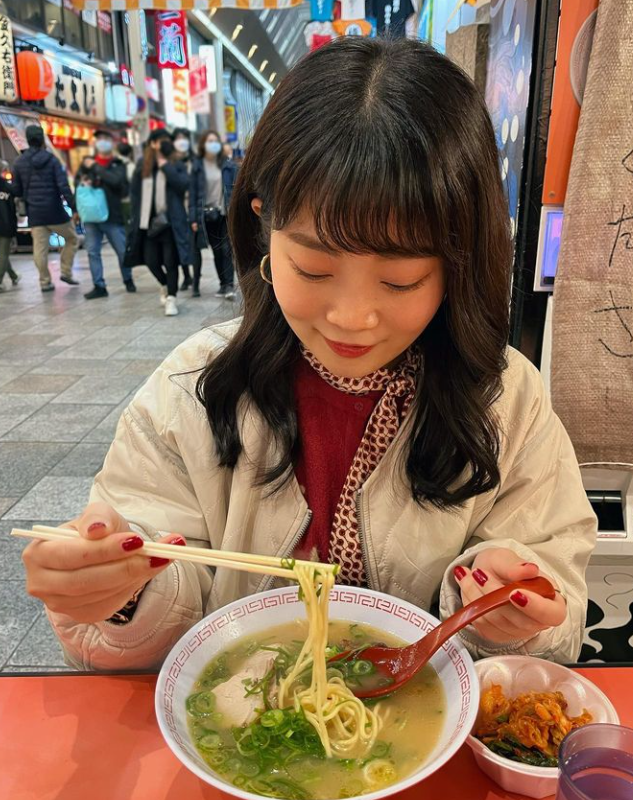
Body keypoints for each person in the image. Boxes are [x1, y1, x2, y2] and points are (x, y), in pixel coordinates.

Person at [23, 39, 595, 672]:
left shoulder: (505, 397)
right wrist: (119, 592)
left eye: (400, 280)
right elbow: (149, 591)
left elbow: (556, 587)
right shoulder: (194, 386)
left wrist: (513, 607)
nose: (351, 317)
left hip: (431, 735)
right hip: (242, 726)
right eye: (313, 267)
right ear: (264, 224)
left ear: (459, 259)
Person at [124, 130, 191, 317]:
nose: (164, 144)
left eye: (167, 141)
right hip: (147, 223)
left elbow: (183, 185)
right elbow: (135, 195)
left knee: (171, 262)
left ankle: (171, 298)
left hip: (170, 223)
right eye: (161, 141)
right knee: (151, 261)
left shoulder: (176, 164)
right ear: (152, 144)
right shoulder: (143, 166)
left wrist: (165, 166)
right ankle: (164, 285)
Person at [12, 124, 79, 292]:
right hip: (55, 211)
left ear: (27, 140)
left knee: (40, 249)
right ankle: (66, 272)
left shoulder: (19, 162)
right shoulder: (52, 160)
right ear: (42, 139)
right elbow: (63, 186)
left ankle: (45, 282)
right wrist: (74, 208)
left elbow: (17, 190)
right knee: (72, 239)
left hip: (35, 214)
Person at [75, 131, 134, 299]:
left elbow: (116, 181)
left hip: (112, 215)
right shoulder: (85, 163)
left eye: (106, 139)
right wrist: (76, 208)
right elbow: (78, 183)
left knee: (122, 250)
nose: (102, 142)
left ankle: (128, 279)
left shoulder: (117, 163)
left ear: (112, 143)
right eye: (99, 139)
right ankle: (99, 285)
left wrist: (95, 167)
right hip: (91, 215)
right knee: (92, 251)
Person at [189, 129, 239, 299]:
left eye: (215, 140)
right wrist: (193, 218)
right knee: (216, 251)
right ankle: (222, 284)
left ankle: (229, 285)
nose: (213, 144)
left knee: (226, 249)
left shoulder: (228, 165)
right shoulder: (197, 167)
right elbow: (194, 194)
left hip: (225, 212)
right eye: (209, 141)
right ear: (203, 144)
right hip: (207, 216)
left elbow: (235, 189)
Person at [171, 127, 196, 292]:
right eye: (178, 138)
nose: (181, 141)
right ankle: (186, 275)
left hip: (193, 204)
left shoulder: (195, 159)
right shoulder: (170, 161)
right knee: (179, 243)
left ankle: (196, 278)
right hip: (177, 207)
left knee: (193, 243)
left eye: (184, 137)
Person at [0, 163, 19, 291]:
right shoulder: (8, 187)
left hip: (5, 224)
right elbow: (12, 209)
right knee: (3, 255)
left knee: (2, 255)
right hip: (5, 225)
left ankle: (13, 276)